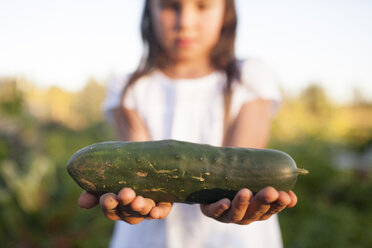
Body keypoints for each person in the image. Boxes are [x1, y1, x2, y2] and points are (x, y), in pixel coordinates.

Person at [78, 0, 298, 247]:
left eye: (203, 6)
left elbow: (242, 170)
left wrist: (236, 195)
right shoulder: (128, 87)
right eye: (170, 6)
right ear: (149, 10)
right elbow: (137, 171)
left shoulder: (249, 76)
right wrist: (135, 200)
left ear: (226, 12)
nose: (185, 22)